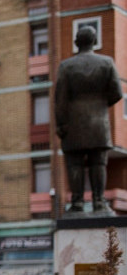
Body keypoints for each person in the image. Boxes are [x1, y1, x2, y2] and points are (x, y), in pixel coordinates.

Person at [54, 25, 123, 215]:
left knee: (74, 163)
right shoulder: (107, 63)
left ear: (76, 43)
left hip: (73, 123)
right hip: (99, 122)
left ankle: (76, 203)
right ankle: (99, 202)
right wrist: (100, 103)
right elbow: (117, 93)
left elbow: (60, 99)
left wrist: (61, 123)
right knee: (98, 163)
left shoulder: (66, 66)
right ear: (94, 41)